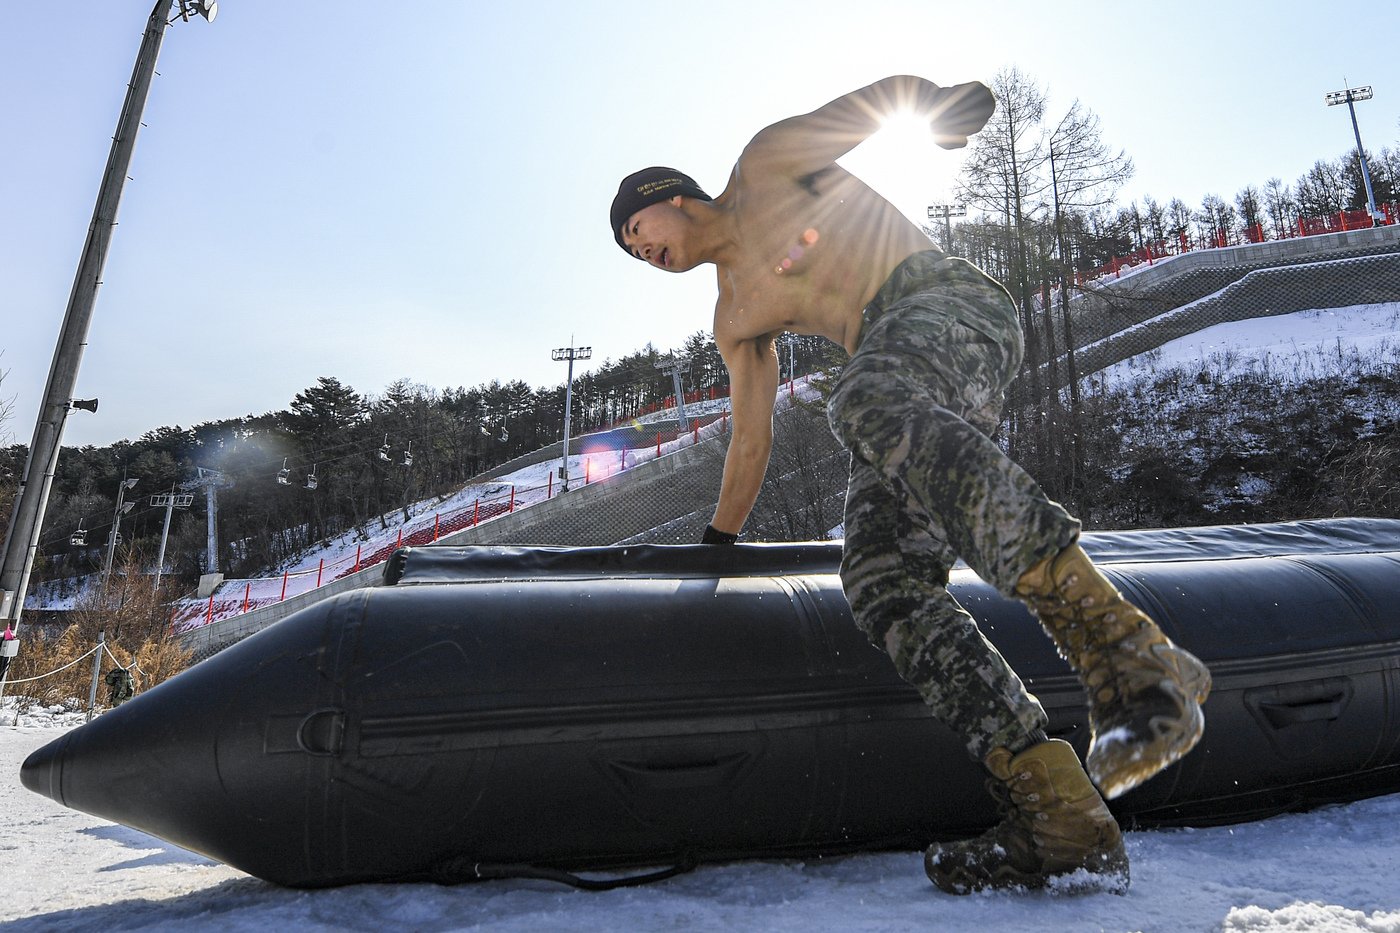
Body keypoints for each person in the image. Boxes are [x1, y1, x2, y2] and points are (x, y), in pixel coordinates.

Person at [608, 75, 1210, 895]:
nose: (646, 253)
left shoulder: (764, 167)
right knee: (881, 578)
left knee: (861, 394)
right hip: (902, 388)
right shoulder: (733, 314)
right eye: (635, 256)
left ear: (670, 196)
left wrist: (941, 108)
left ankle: (1133, 660)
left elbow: (873, 106)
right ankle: (1060, 812)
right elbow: (750, 439)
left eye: (638, 230)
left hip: (949, 308)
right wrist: (716, 547)